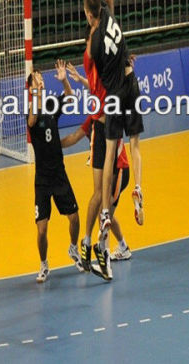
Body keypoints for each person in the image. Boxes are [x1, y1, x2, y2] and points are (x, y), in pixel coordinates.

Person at [55, 0, 145, 242]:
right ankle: (138, 189)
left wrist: (73, 81)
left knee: (108, 154)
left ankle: (106, 211)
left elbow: (93, 72)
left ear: (88, 15)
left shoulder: (91, 48)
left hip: (112, 98)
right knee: (134, 144)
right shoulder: (108, 16)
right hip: (132, 83)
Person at [27, 61, 83, 283]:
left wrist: (64, 80)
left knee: (75, 218)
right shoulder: (31, 110)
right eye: (35, 79)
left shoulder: (51, 104)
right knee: (41, 230)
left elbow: (70, 97)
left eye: (41, 77)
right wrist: (37, 96)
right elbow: (32, 121)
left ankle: (73, 249)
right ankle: (43, 264)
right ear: (31, 87)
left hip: (59, 173)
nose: (40, 79)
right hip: (42, 179)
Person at [61, 114, 131, 281]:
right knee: (105, 212)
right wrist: (53, 145)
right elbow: (74, 136)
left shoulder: (113, 116)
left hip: (119, 172)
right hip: (108, 172)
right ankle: (123, 247)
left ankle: (105, 263)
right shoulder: (93, 118)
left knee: (104, 214)